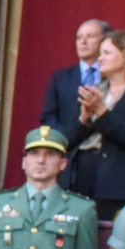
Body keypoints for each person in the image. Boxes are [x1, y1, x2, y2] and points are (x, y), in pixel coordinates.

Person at [66, 30, 125, 221]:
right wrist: (83, 120)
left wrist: (101, 111)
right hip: (83, 179)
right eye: (100, 54)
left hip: (122, 182)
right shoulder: (95, 91)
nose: (100, 58)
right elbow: (69, 141)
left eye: (107, 53)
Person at [40, 19, 110, 151]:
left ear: (105, 41)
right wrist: (66, 138)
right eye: (79, 38)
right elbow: (49, 118)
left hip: (103, 152)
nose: (83, 42)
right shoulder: (60, 78)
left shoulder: (114, 77)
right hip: (68, 152)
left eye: (90, 36)